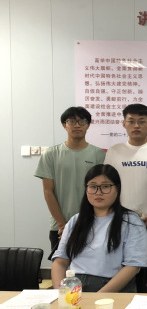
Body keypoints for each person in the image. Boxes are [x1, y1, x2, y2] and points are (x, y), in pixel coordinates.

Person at [51, 164, 146, 292]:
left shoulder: (131, 221)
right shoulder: (76, 221)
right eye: (93, 186)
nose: (98, 192)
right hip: (74, 287)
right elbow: (60, 261)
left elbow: (132, 266)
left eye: (106, 186)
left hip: (112, 288)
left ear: (117, 189)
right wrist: (60, 293)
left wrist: (98, 296)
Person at [105, 103, 147, 293]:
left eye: (141, 121)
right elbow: (108, 185)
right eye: (131, 121)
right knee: (122, 269)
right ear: (123, 124)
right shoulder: (114, 151)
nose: (136, 126)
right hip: (121, 222)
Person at [34, 106, 106, 256]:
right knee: (62, 266)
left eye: (82, 121)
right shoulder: (51, 154)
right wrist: (62, 224)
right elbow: (48, 191)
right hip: (59, 226)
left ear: (88, 125)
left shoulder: (99, 154)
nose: (77, 125)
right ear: (64, 125)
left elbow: (103, 191)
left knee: (92, 266)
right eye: (72, 121)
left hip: (93, 224)